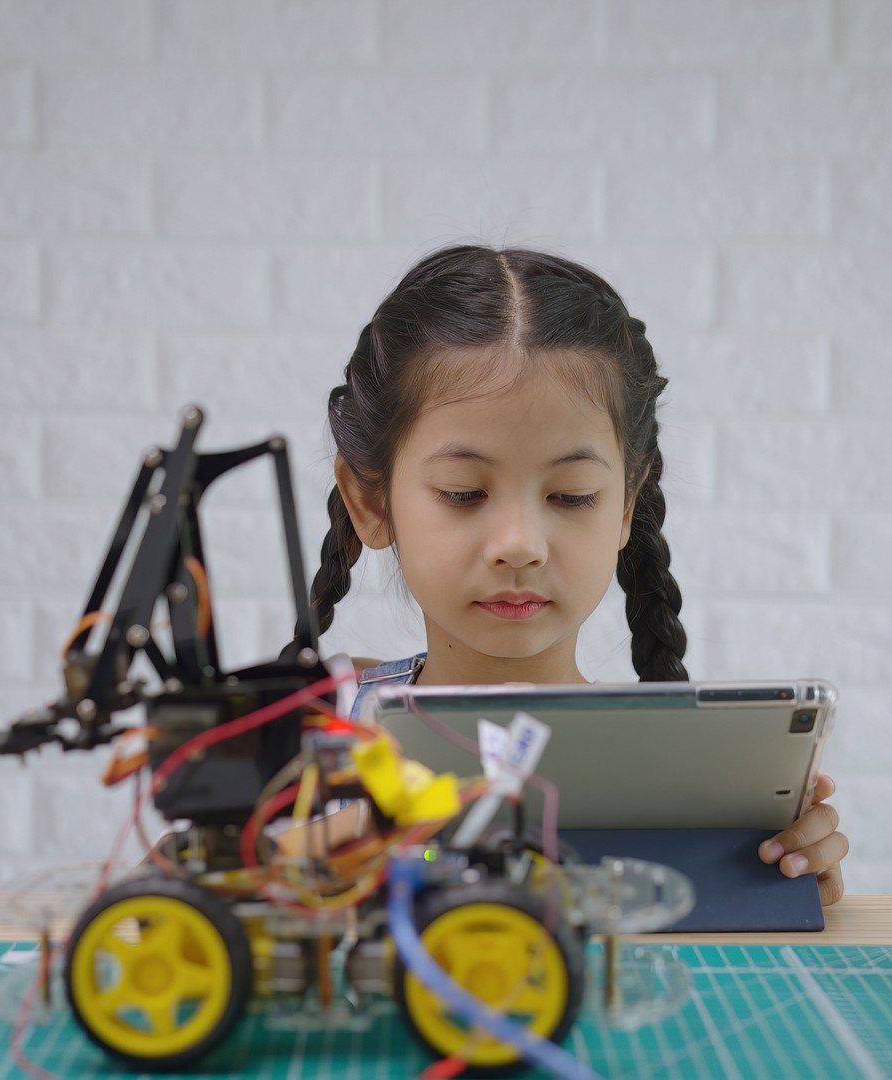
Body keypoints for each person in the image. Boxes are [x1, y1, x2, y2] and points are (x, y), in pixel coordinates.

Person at [296, 244, 849, 905]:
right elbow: (169, 885)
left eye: (573, 496)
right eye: (464, 492)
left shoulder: (676, 779)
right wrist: (345, 836)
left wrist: (780, 877)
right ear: (370, 502)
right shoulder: (317, 726)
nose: (520, 546)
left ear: (626, 504)